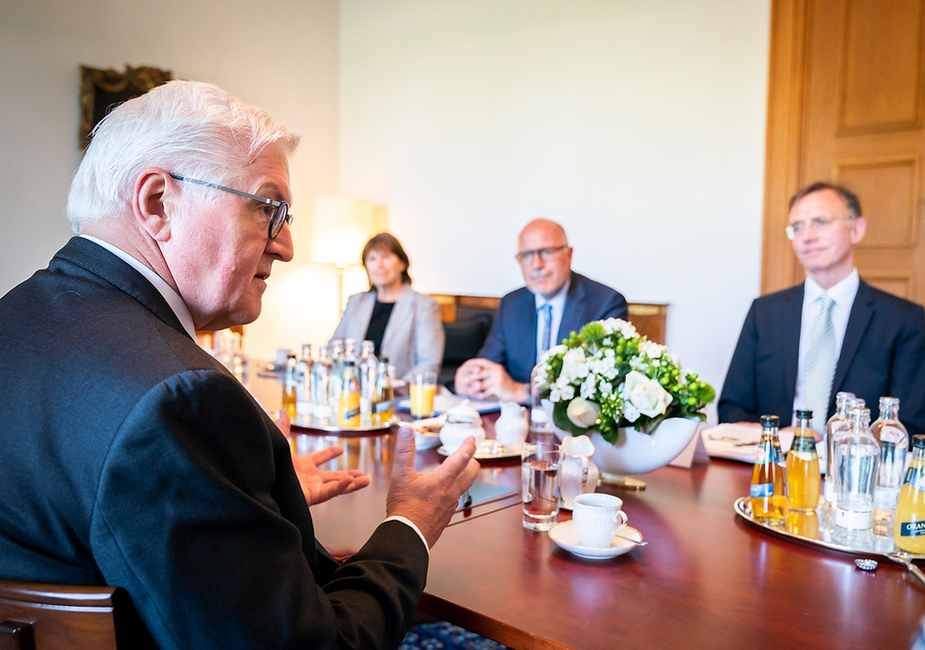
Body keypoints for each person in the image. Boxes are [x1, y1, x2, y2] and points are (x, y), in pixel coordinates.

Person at [0, 81, 479, 650]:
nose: (288, 246)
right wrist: (411, 524)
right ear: (158, 202)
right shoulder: (177, 400)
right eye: (269, 208)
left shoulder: (17, 319)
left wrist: (235, 493)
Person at [718, 181, 925, 436]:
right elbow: (732, 410)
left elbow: (908, 426)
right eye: (797, 227)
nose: (807, 236)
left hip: (855, 471)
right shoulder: (764, 312)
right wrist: (779, 437)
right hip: (773, 463)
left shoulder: (901, 319)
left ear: (856, 229)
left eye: (821, 221)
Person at [453, 218, 627, 403]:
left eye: (546, 252)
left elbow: (602, 386)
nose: (536, 264)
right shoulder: (511, 304)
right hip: (517, 423)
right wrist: (470, 379)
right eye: (526, 255)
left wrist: (522, 392)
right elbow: (486, 366)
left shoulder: (605, 303)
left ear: (569, 254)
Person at [331, 232, 444, 379]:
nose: (379, 265)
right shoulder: (356, 302)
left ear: (402, 263)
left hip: (399, 394)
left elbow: (429, 363)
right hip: (353, 390)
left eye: (386, 256)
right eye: (372, 259)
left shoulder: (424, 306)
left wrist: (393, 389)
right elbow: (334, 347)